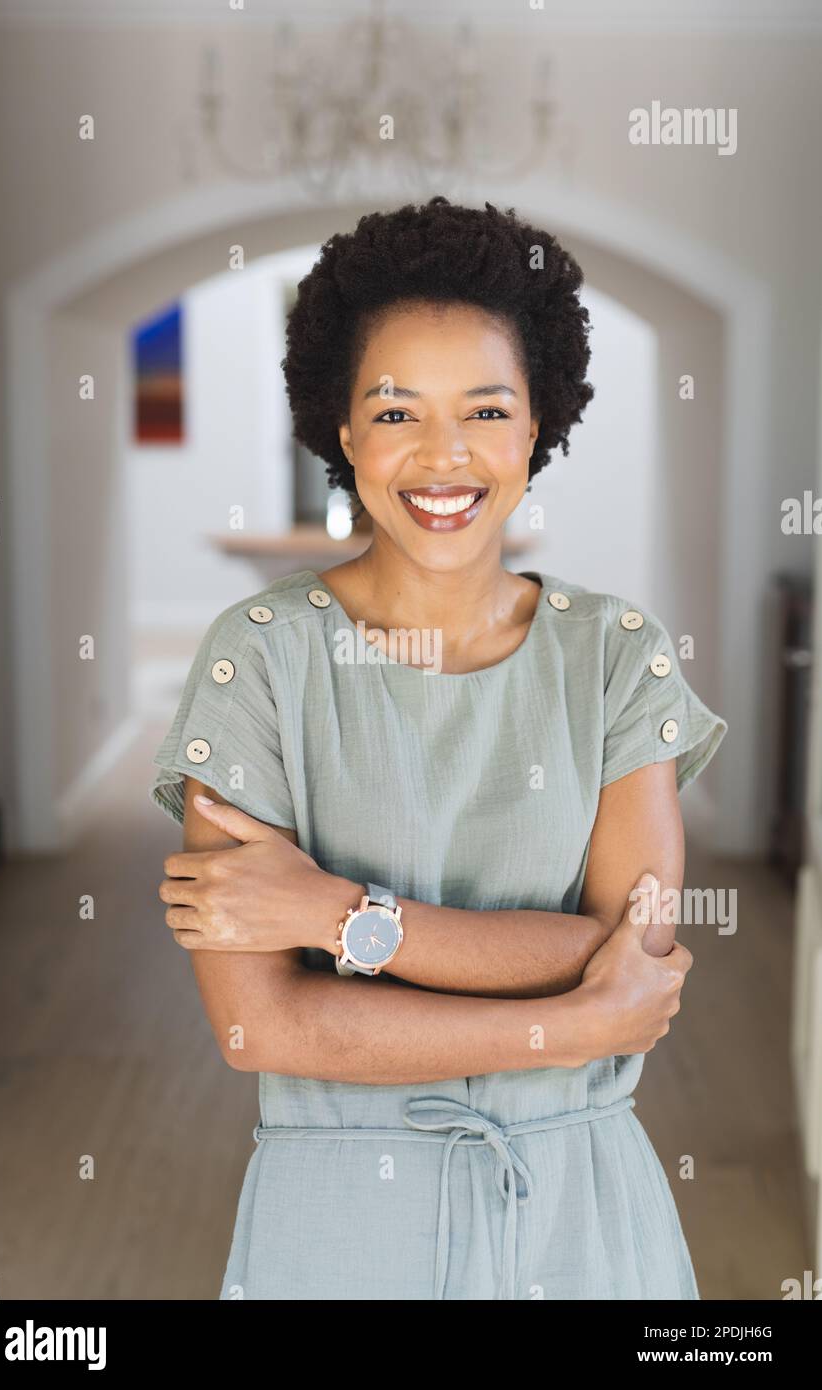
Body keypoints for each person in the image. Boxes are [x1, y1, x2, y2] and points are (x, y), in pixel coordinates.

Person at [149, 196, 727, 1300]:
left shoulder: (617, 657)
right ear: (343, 427)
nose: (445, 456)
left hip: (581, 1207)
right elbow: (256, 1021)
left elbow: (629, 955)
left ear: (536, 426)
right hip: (335, 1230)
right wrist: (568, 1022)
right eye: (398, 410)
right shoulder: (259, 662)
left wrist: (334, 914)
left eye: (488, 409)